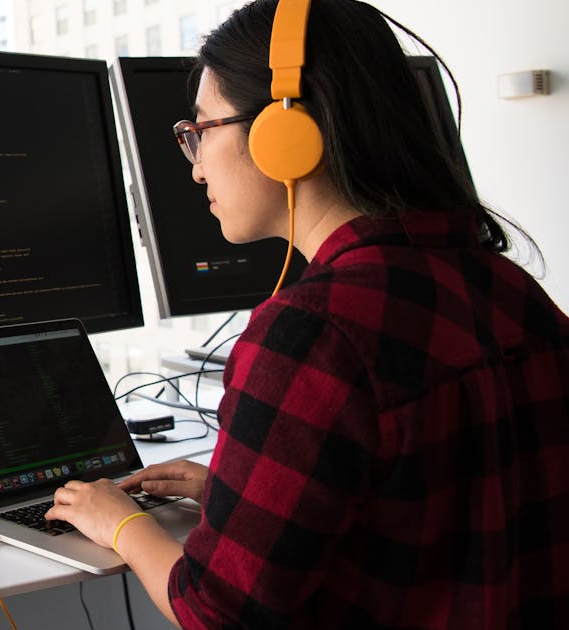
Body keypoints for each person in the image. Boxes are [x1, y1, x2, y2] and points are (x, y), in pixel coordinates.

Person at [44, 1, 569, 627]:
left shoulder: (312, 335)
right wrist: (240, 501)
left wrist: (122, 523)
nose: (196, 166)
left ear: (287, 135)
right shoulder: (512, 288)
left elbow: (217, 613)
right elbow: (454, 511)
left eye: (202, 130)